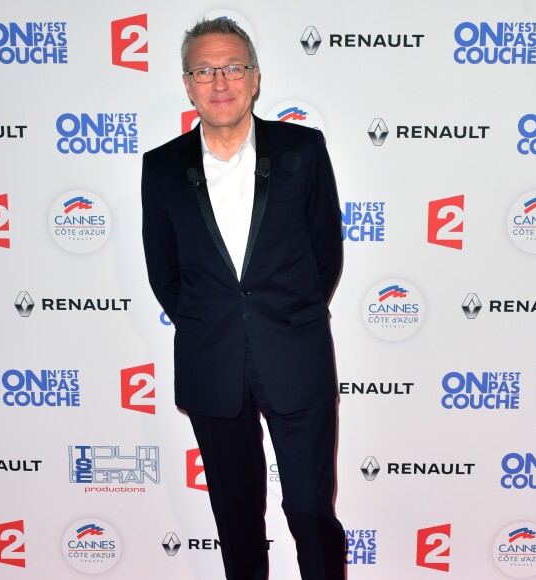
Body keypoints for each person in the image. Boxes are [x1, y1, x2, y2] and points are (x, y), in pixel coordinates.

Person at [141, 17, 345, 580]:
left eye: (233, 67)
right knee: (235, 518)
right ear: (187, 83)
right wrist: (213, 324)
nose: (220, 81)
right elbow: (164, 271)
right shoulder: (160, 168)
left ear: (255, 78)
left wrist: (289, 315)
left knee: (308, 508)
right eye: (205, 70)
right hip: (212, 363)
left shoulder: (303, 148)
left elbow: (325, 251)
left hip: (295, 355)